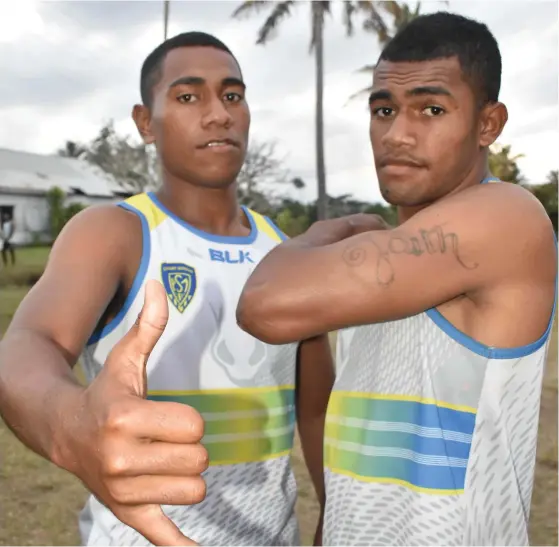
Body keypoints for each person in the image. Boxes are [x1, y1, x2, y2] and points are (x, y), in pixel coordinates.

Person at [0, 32, 334, 547]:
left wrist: (330, 516)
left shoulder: (285, 253)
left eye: (232, 95)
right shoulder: (115, 232)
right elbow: (27, 345)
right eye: (187, 96)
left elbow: (314, 409)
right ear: (144, 122)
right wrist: (67, 425)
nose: (218, 113)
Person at [237, 12, 557, 546]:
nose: (397, 134)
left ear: (488, 124)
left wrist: (329, 230)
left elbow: (266, 304)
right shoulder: (385, 258)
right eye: (383, 109)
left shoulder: (507, 217)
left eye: (431, 109)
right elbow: (354, 446)